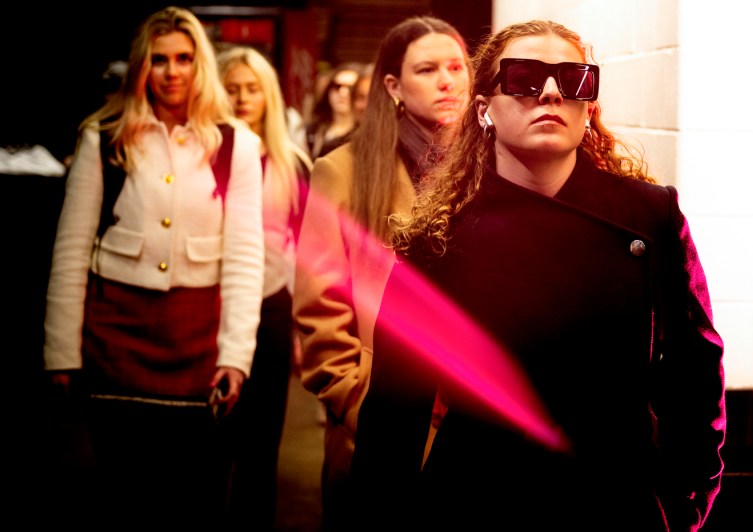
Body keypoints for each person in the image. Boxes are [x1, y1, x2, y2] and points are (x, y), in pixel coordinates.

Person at [350, 19, 726, 531]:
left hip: (615, 500)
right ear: (484, 110)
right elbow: (395, 411)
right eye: (524, 77)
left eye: (573, 79)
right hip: (478, 501)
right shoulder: (438, 241)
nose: (550, 91)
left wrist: (686, 499)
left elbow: (694, 371)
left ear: (588, 107)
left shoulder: (649, 216)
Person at [42, 6, 264, 527]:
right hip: (114, 337)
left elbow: (245, 256)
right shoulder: (103, 136)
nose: (172, 71)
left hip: (197, 340)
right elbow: (71, 251)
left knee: (193, 495)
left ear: (200, 65)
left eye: (184, 58)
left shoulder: (236, 143)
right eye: (159, 59)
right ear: (143, 65)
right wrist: (60, 354)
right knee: (123, 493)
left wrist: (236, 356)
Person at [292, 15, 470, 530]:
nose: (447, 81)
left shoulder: (491, 167)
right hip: (376, 423)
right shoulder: (343, 171)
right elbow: (320, 311)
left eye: (457, 66)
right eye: (428, 69)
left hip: (473, 434)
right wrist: (364, 407)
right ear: (392, 85)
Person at [217, 44, 312, 528]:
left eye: (252, 89)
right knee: (213, 437)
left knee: (262, 438)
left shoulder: (291, 162)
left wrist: (299, 327)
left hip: (274, 305)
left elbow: (303, 247)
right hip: (214, 305)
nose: (241, 97)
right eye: (232, 88)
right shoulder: (207, 154)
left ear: (268, 96)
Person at [305, 62, 363, 159]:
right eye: (337, 86)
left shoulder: (364, 136)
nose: (343, 92)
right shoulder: (311, 131)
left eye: (351, 88)